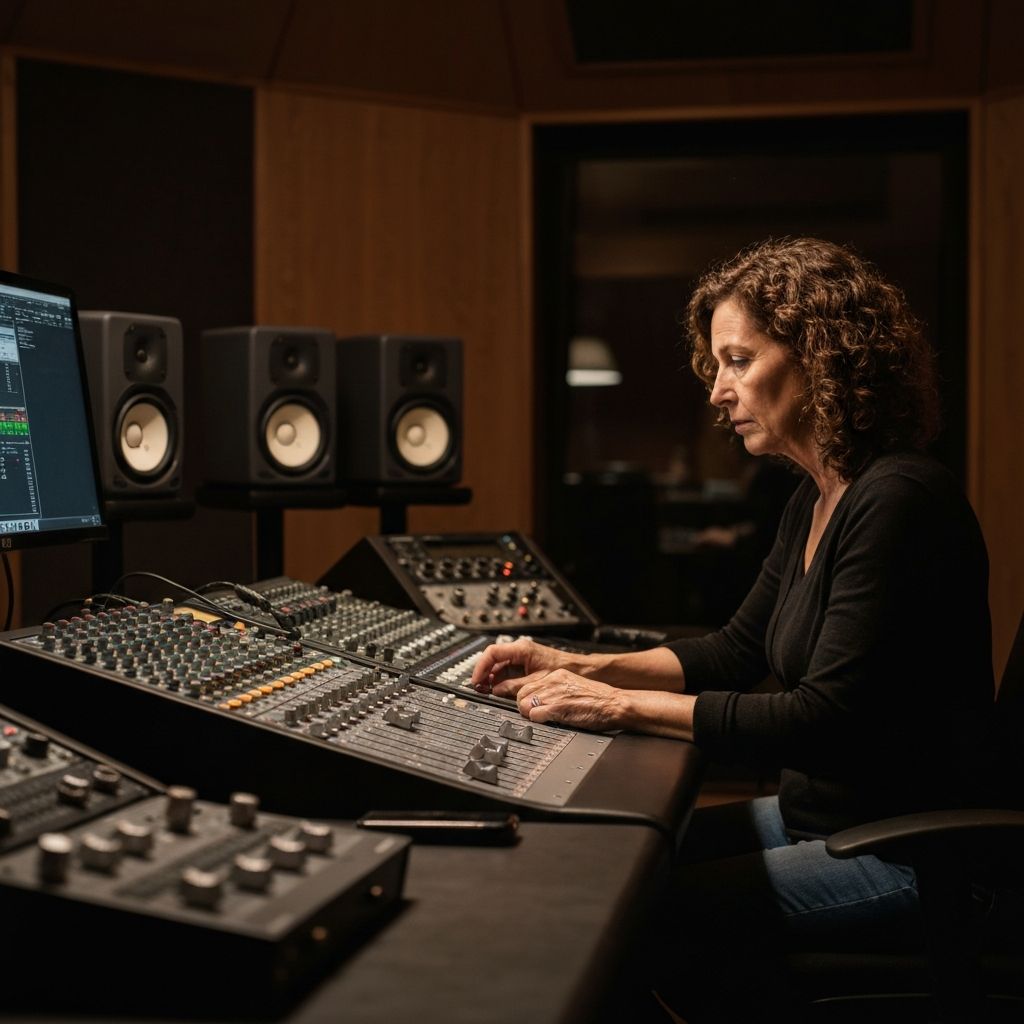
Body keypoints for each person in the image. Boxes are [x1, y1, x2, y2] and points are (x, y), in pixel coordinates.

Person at [470, 237, 994, 1020]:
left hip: (912, 854)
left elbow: (820, 718)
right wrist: (569, 660)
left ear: (822, 358)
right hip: (826, 820)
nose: (718, 391)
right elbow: (734, 651)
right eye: (718, 365)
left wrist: (614, 708)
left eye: (739, 360)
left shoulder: (900, 502)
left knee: (629, 919)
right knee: (616, 866)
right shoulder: (816, 497)